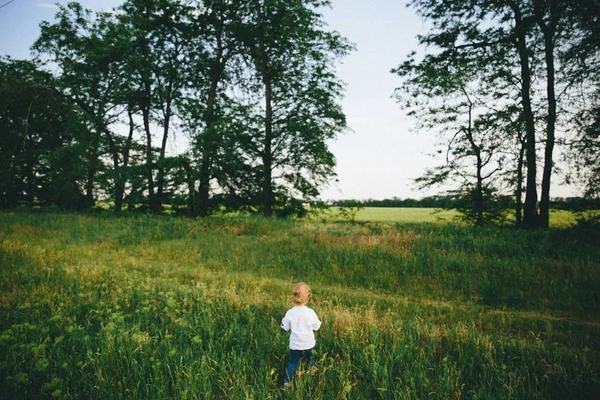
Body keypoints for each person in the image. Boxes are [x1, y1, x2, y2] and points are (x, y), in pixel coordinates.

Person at [280, 282, 322, 391]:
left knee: (293, 362)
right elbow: (317, 326)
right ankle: (312, 374)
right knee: (310, 358)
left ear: (293, 297)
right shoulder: (310, 312)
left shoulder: (290, 313)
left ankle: (287, 383)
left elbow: (285, 327)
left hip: (295, 345)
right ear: (308, 297)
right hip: (308, 344)